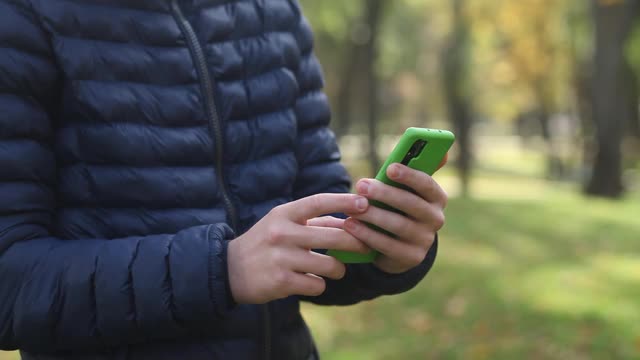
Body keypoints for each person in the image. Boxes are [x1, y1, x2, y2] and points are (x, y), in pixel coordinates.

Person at [0, 0, 447, 359]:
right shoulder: (20, 15)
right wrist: (222, 269)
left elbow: (316, 242)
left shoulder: (276, 13)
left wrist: (387, 246)